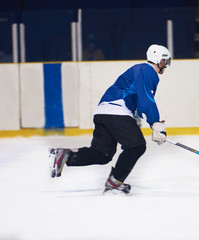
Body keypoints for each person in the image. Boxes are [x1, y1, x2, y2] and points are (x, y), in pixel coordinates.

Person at [49, 44, 171, 195]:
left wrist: (152, 121)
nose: (166, 65)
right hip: (117, 111)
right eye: (165, 61)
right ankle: (114, 183)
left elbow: (140, 104)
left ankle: (67, 154)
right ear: (158, 60)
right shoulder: (148, 71)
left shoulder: (138, 70)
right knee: (137, 146)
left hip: (102, 112)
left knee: (102, 154)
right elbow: (146, 100)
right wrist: (155, 122)